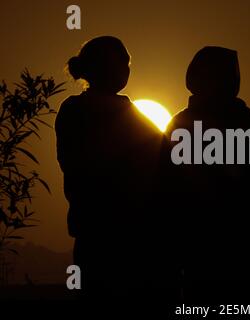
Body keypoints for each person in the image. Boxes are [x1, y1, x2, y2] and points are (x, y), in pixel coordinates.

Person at [162, 46, 250, 302]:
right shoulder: (226, 118)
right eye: (223, 75)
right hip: (221, 238)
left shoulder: (235, 116)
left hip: (237, 239)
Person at [55, 36, 168, 299]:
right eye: (123, 63)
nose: (127, 70)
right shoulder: (130, 117)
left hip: (94, 232)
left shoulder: (73, 111)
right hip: (131, 238)